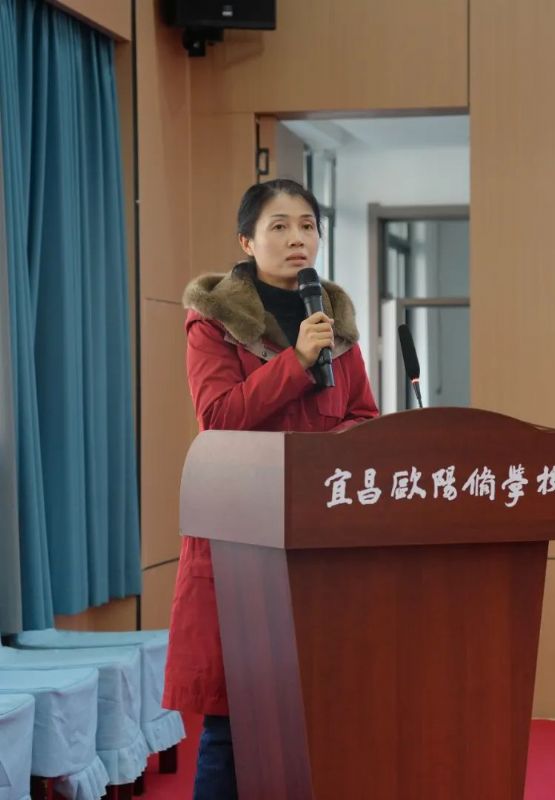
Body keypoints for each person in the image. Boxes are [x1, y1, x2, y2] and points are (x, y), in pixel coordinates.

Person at [163, 179, 379, 799]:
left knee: (316, 716)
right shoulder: (215, 321)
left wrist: (336, 448)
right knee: (234, 723)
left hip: (317, 541)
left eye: (307, 225)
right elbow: (219, 418)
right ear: (247, 241)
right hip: (242, 542)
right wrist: (297, 363)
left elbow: (363, 418)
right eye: (279, 226)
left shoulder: (334, 322)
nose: (296, 238)